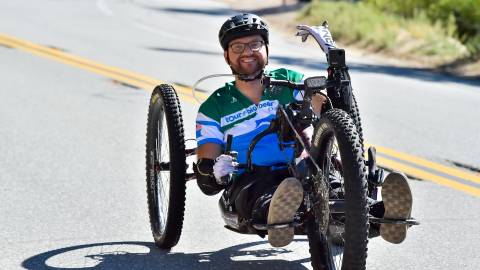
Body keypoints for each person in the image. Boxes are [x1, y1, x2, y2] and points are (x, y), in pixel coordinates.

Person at [193, 13, 413, 247]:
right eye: (237, 46)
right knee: (265, 195)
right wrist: (216, 172)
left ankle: (384, 215)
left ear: (266, 48)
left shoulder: (288, 81)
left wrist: (335, 63)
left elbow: (331, 111)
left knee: (334, 191)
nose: (247, 51)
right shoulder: (214, 107)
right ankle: (278, 217)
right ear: (227, 55)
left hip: (302, 169)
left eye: (255, 44)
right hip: (251, 177)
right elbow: (206, 171)